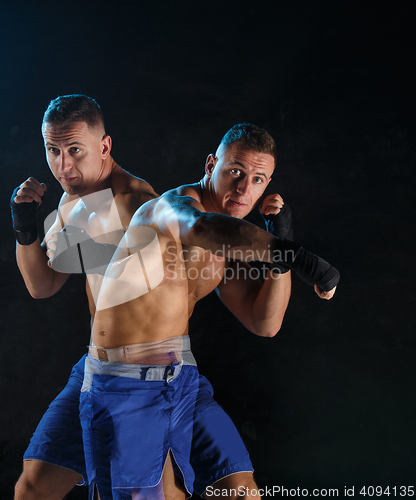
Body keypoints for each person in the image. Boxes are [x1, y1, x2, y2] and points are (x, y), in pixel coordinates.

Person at [80, 123, 339, 500]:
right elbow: (201, 227)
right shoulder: (171, 208)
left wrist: (281, 258)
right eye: (235, 171)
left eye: (258, 179)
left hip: (181, 378)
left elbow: (264, 323)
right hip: (125, 383)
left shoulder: (228, 247)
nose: (244, 188)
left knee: (240, 491)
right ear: (210, 164)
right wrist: (296, 257)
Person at [10, 94, 158, 500]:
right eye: (52, 151)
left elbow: (179, 281)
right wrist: (26, 230)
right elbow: (43, 285)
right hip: (97, 365)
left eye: (74, 150)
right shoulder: (70, 197)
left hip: (145, 375)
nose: (63, 165)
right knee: (33, 488)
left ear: (104, 147)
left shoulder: (135, 203)